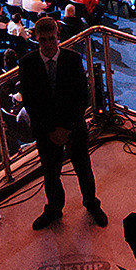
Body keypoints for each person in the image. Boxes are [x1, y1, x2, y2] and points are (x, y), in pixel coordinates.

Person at [19, 15, 106, 229]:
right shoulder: (27, 64)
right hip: (46, 131)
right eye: (43, 40)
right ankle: (54, 209)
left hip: (72, 128)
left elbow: (81, 97)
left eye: (51, 38)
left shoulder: (73, 59)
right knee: (51, 174)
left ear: (58, 37)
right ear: (36, 39)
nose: (48, 44)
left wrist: (67, 129)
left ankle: (91, 203)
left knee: (83, 169)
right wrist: (50, 130)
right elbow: (30, 102)